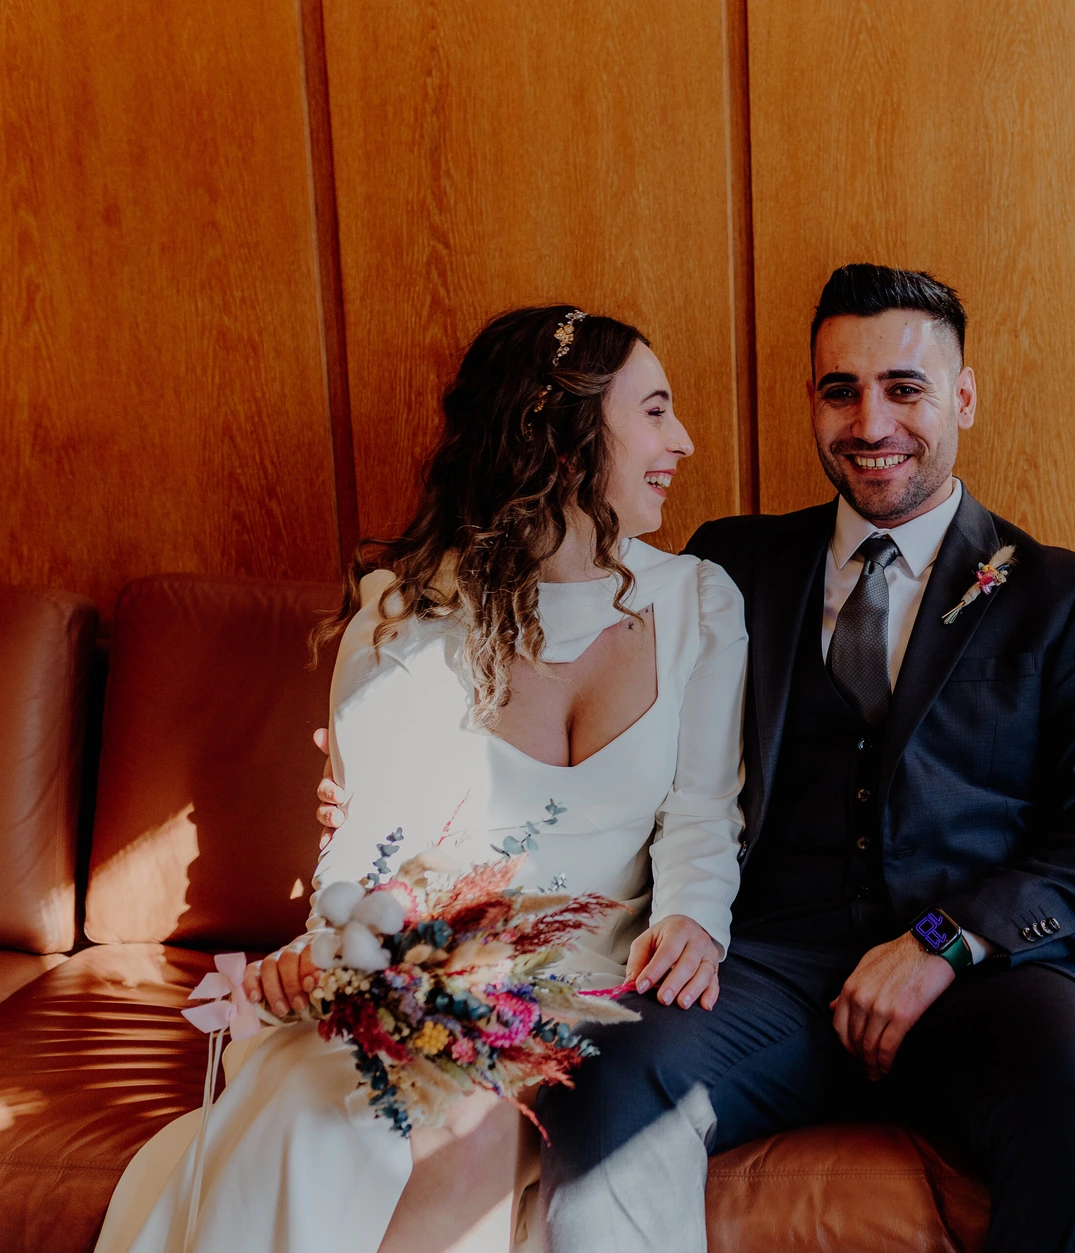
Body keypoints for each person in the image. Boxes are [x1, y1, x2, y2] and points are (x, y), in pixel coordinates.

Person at [531, 263, 1075, 1251]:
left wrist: (945, 939)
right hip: (762, 973)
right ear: (813, 402)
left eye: (902, 388)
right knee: (601, 1069)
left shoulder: (1057, 591)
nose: (868, 422)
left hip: (986, 980)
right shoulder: (726, 564)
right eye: (840, 390)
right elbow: (584, 669)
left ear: (961, 396)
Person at [95, 306, 747, 1253]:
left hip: (597, 986)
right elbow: (369, 849)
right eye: (654, 412)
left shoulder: (699, 603)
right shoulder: (406, 620)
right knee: (376, 1124)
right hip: (430, 979)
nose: (682, 441)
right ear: (561, 439)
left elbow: (701, 812)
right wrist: (345, 949)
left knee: (476, 1124)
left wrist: (695, 917)